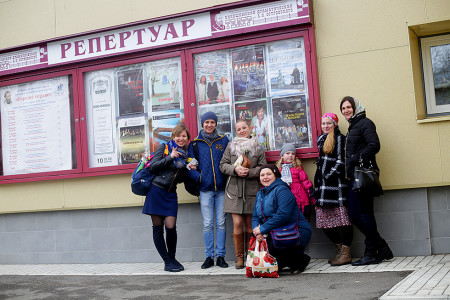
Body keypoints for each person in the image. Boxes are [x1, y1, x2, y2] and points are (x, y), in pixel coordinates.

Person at [340, 96, 393, 265]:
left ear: (356, 107)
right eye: (343, 108)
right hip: (353, 177)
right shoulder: (353, 126)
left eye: (349, 107)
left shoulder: (365, 123)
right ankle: (380, 247)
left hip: (362, 175)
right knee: (357, 215)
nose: (346, 110)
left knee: (362, 214)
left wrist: (355, 159)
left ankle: (372, 252)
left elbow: (374, 145)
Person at [142, 124, 196, 272]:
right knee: (158, 228)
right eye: (178, 136)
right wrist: (170, 157)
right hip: (156, 191)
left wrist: (189, 169)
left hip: (171, 193)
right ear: (173, 136)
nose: (181, 138)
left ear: (187, 139)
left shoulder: (186, 155)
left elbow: (178, 178)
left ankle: (172, 258)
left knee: (171, 228)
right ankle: (167, 262)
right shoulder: (165, 147)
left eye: (184, 136)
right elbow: (153, 166)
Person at [219, 119, 267, 269]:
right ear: (236, 131)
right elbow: (222, 165)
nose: (241, 131)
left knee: (249, 225)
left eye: (244, 128)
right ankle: (239, 258)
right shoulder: (230, 146)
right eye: (238, 129)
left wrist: (250, 172)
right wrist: (235, 170)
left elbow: (263, 168)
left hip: (251, 190)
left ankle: (250, 256)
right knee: (237, 223)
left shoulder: (258, 147)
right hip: (234, 191)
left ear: (249, 128)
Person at [188, 111, 230, 269]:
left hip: (221, 189)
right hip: (205, 190)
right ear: (202, 124)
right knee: (207, 224)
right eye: (206, 122)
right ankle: (208, 257)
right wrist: (200, 178)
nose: (209, 125)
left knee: (221, 223)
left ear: (216, 124)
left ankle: (221, 256)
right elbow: (189, 167)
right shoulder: (195, 144)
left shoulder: (223, 140)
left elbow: (231, 159)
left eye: (212, 122)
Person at [252, 164, 312, 274]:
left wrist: (263, 228)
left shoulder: (282, 190)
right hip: (274, 230)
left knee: (271, 267)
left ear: (276, 176)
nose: (265, 177)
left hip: (294, 230)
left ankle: (301, 260)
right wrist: (257, 230)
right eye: (262, 175)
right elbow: (255, 216)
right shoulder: (260, 194)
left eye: (269, 174)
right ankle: (285, 261)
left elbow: (283, 215)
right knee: (266, 266)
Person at [314, 113, 353, 266]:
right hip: (322, 188)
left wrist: (327, 175)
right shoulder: (321, 140)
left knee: (343, 220)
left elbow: (340, 161)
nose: (325, 126)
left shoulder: (339, 138)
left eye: (328, 123)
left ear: (335, 124)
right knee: (323, 220)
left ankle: (346, 253)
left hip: (336, 186)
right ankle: (339, 250)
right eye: (323, 124)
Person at [275, 143, 314, 221]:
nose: (290, 155)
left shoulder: (298, 168)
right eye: (287, 153)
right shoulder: (278, 170)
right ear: (282, 155)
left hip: (300, 198)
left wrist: (312, 198)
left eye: (293, 153)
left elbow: (305, 182)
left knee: (302, 221)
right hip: (286, 198)